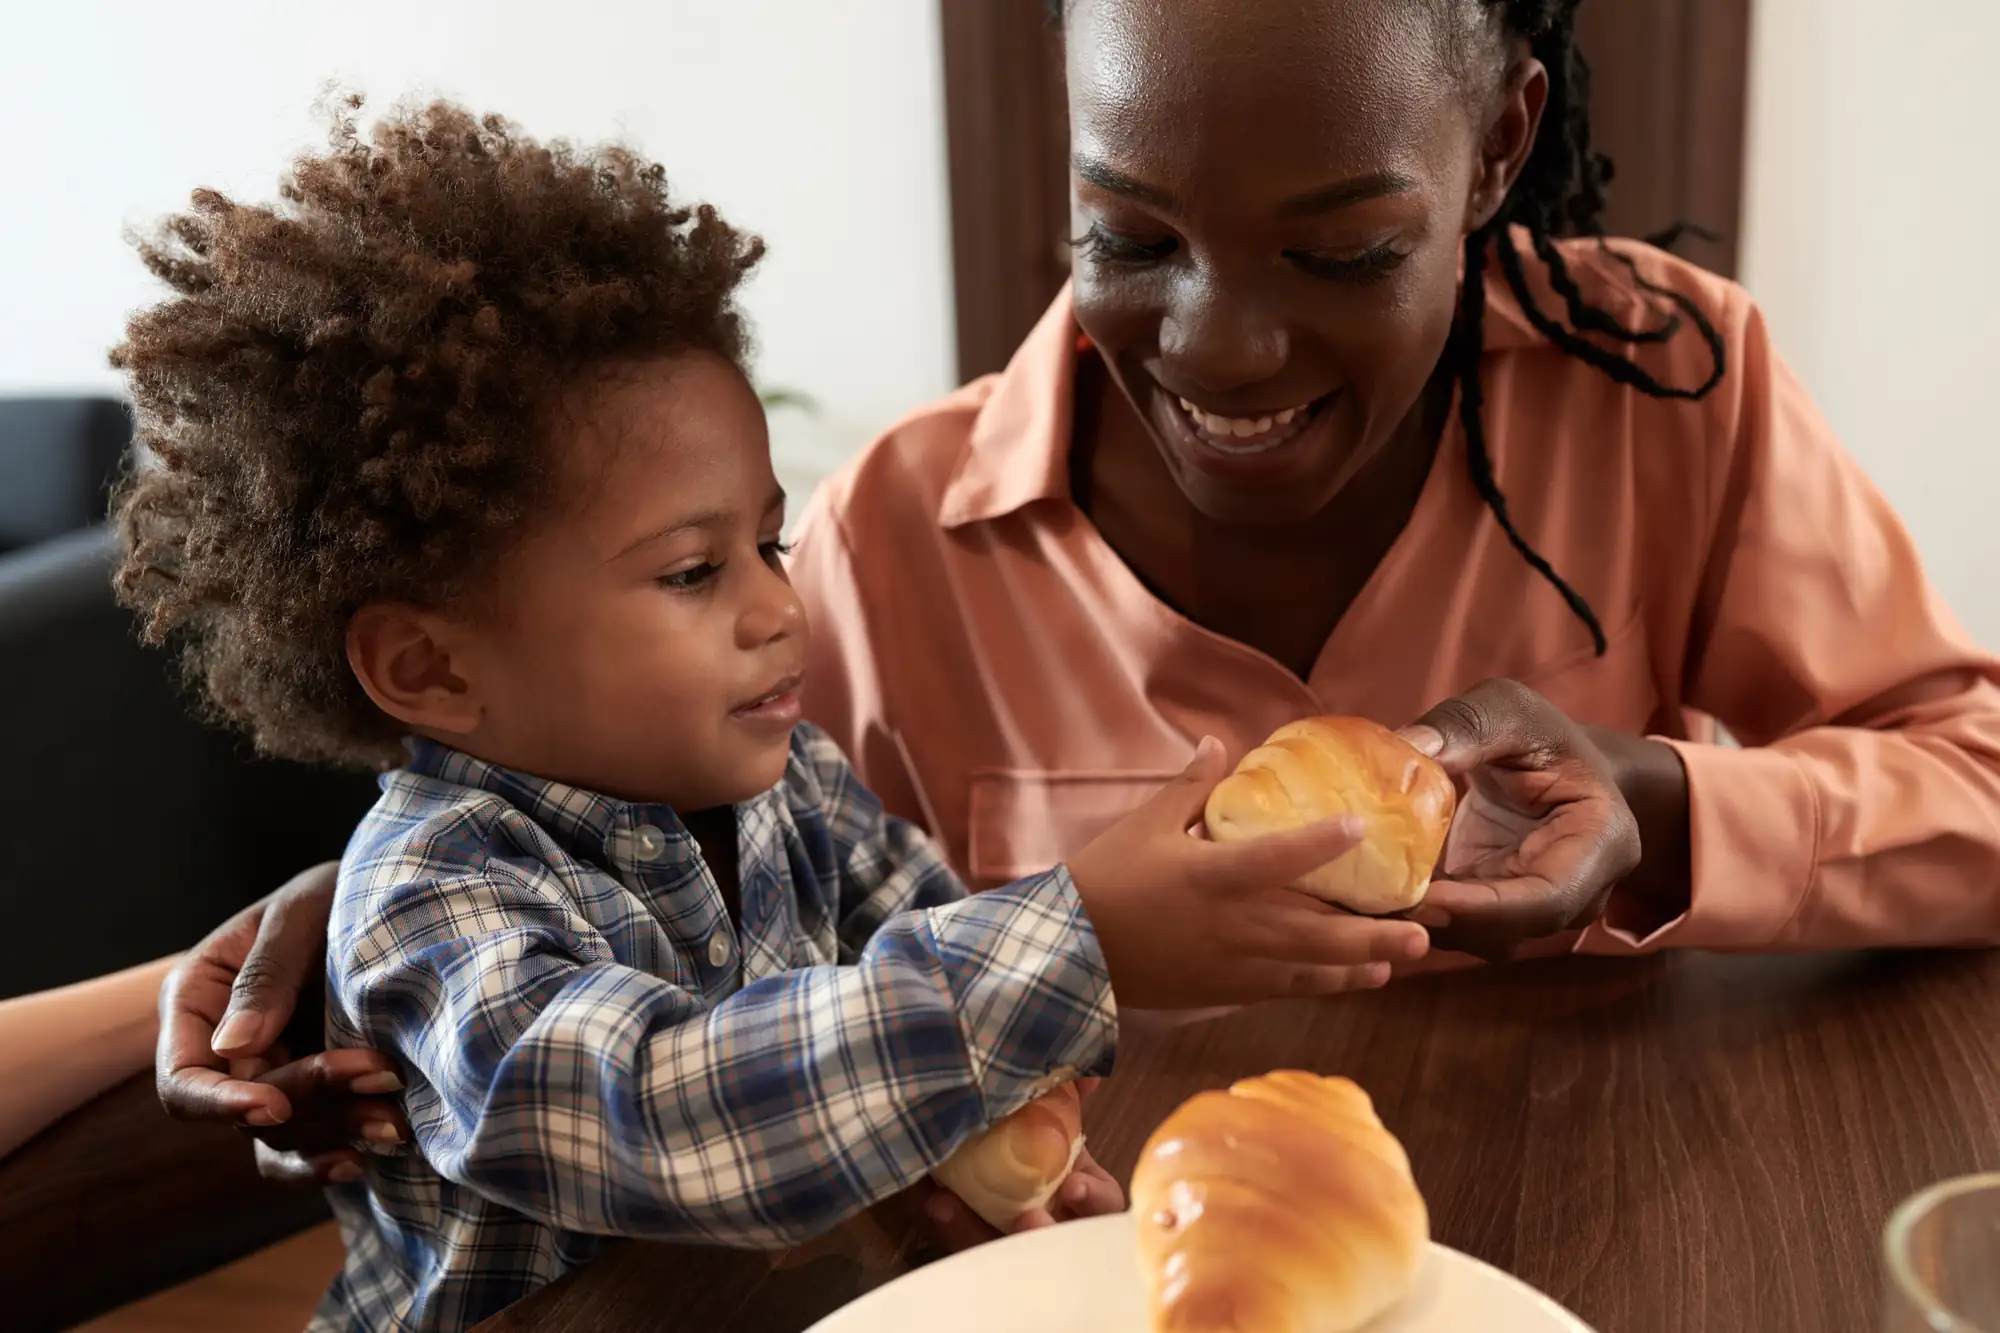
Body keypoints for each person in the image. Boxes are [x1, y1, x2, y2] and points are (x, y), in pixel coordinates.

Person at [159, 0, 2000, 1242]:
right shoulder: (892, 530)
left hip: (1604, 1232)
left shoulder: (1672, 387)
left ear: (1505, 140)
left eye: (1344, 251)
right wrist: (438, 837)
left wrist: (1666, 801)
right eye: (1126, 234)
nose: (1223, 348)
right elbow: (694, 1004)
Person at [109, 97, 1427, 1330]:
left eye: (769, 545)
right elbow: (665, 1113)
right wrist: (1078, 944)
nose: (775, 609)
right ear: (429, 668)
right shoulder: (427, 905)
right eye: (693, 573)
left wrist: (987, 1160)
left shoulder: (792, 784)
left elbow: (917, 962)